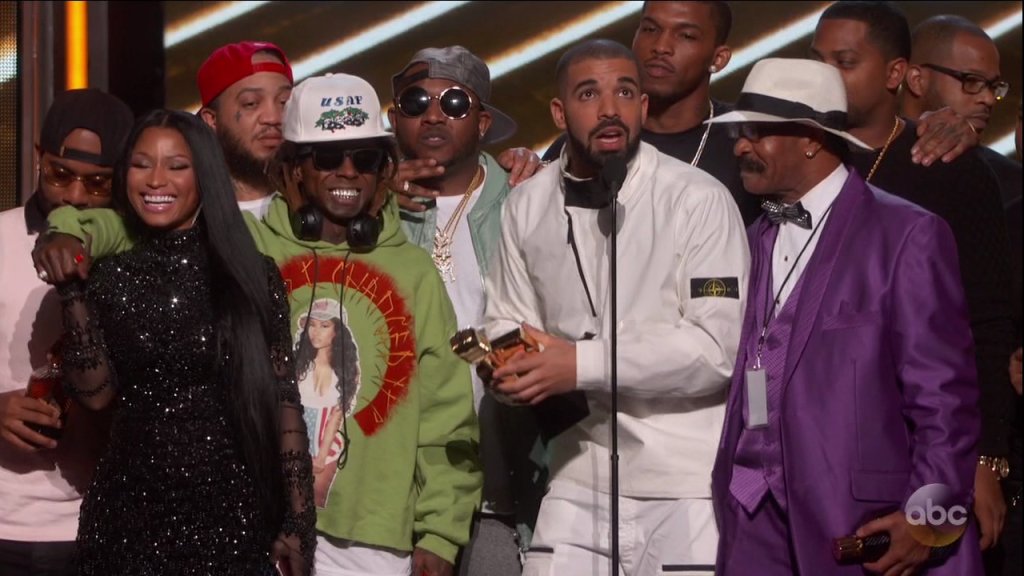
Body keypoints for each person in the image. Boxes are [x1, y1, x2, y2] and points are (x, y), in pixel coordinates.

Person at [35, 73, 484, 576]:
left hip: (374, 538)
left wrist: (441, 534)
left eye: (366, 158)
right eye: (328, 158)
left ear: (384, 170)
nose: (348, 171)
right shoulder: (243, 246)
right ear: (293, 169)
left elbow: (448, 421)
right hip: (262, 528)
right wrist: (70, 233)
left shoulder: (415, 273)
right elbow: (132, 221)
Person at [484, 38, 749, 576]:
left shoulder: (698, 199)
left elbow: (716, 349)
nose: (610, 109)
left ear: (644, 106)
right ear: (559, 112)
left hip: (682, 486)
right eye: (589, 94)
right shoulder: (525, 206)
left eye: (625, 92)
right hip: (575, 476)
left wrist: (576, 365)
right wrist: (506, 367)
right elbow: (506, 319)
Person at [708, 56, 982, 576]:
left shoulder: (907, 235)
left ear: (812, 138)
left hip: (861, 527)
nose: (742, 145)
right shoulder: (748, 239)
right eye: (740, 132)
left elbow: (949, 403)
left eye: (759, 133)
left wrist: (931, 522)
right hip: (750, 522)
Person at [33, 110, 316, 575]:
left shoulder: (250, 274)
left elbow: (283, 401)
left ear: (204, 175)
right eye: (142, 164)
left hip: (233, 521)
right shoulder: (110, 272)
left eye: (177, 166)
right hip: (125, 520)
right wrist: (71, 291)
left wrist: (298, 519)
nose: (156, 180)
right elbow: (96, 395)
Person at [810, 0, 1015, 555]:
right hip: (819, 447)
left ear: (899, 74)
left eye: (845, 62)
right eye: (817, 60)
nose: (825, 77)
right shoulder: (793, 158)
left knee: (937, 548)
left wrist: (986, 460)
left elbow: (988, 323)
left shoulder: (953, 169)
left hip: (932, 449)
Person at [390, 45, 545, 576]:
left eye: (454, 102)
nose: (434, 114)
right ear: (395, 119)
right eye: (417, 102)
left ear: (482, 123)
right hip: (402, 492)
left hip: (507, 486)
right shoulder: (374, 214)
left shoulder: (528, 200)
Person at [0, 88, 132, 576]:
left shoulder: (127, 255)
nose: (75, 196)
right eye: (60, 174)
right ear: (37, 157)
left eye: (97, 184)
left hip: (96, 524)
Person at [543, 1, 761, 226]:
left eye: (686, 35)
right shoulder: (582, 144)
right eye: (650, 29)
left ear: (719, 59)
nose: (661, 46)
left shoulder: (747, 141)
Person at [902, 14, 1021, 207]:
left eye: (993, 86)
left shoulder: (1011, 185)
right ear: (917, 80)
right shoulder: (853, 156)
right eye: (972, 80)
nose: (989, 99)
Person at [196, 40, 294, 217]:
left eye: (284, 102)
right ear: (211, 119)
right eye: (251, 103)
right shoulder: (188, 216)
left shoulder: (319, 207)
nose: (273, 118)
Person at [293, 299, 360, 507]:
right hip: (292, 444)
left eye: (324, 325)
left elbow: (335, 418)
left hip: (327, 449)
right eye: (311, 325)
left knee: (315, 500)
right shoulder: (298, 365)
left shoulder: (347, 371)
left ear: (337, 331)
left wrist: (321, 458)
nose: (316, 331)